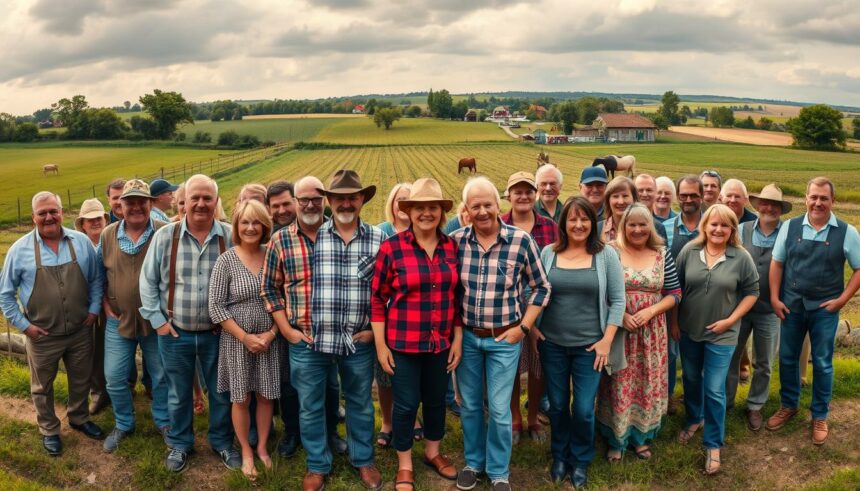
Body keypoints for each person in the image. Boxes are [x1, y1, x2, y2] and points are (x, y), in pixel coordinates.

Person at [281, 170, 385, 491]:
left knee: (360, 403)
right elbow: (275, 286)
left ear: (362, 200)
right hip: (311, 341)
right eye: (339, 197)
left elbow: (387, 292)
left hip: (358, 340)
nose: (346, 203)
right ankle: (317, 464)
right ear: (330, 201)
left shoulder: (379, 240)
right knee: (310, 404)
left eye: (352, 197)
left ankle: (363, 460)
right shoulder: (314, 237)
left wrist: (372, 332)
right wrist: (288, 330)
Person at [450, 176, 550, 491]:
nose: (482, 211)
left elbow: (541, 287)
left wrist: (523, 327)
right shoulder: (454, 242)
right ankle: (473, 462)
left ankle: (498, 471)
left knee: (499, 406)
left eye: (488, 204)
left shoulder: (520, 241)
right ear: (465, 209)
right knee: (469, 405)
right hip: (467, 337)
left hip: (504, 338)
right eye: (475, 205)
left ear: (498, 205)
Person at [139, 174, 240, 472]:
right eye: (195, 197)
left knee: (221, 391)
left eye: (207, 198)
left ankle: (221, 442)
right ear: (183, 202)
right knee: (178, 392)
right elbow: (147, 283)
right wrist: (158, 322)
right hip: (174, 332)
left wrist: (232, 323)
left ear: (216, 202)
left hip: (218, 333)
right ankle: (181, 444)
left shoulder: (230, 236)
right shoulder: (164, 237)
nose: (200, 203)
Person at [371, 178, 462, 491]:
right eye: (419, 208)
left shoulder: (452, 246)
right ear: (407, 212)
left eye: (432, 208)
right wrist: (381, 345)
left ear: (440, 211)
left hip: (440, 343)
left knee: (436, 401)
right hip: (403, 343)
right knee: (407, 405)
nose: (426, 213)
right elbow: (378, 299)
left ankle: (433, 453)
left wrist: (458, 340)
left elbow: (458, 297)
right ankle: (405, 463)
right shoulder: (392, 248)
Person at [0, 192, 104, 456]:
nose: (49, 217)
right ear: (33, 216)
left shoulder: (80, 243)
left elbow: (96, 280)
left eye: (53, 211)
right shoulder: (19, 250)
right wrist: (25, 326)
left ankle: (79, 418)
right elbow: (5, 294)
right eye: (42, 212)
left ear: (61, 212)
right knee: (41, 386)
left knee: (81, 379)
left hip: (81, 330)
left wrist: (93, 310)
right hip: (42, 335)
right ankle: (49, 429)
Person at [261, 176, 348, 468]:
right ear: (298, 202)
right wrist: (286, 329)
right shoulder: (281, 239)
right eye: (304, 200)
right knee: (301, 392)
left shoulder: (339, 232)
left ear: (325, 199)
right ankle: (311, 452)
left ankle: (331, 433)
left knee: (332, 388)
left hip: (339, 333)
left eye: (316, 199)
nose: (310, 205)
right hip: (303, 333)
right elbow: (270, 288)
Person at [537, 197, 624, 488]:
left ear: (592, 222)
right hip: (552, 344)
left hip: (590, 347)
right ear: (563, 224)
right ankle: (560, 455)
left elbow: (618, 300)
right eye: (572, 219)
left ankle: (581, 459)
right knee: (558, 405)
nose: (578, 224)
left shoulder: (606, 255)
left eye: (584, 219)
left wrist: (606, 340)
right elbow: (534, 292)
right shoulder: (548, 253)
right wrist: (534, 331)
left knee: (585, 408)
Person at [766, 177, 860, 445]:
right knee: (786, 358)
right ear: (806, 198)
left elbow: (859, 269)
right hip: (792, 305)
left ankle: (819, 414)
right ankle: (789, 405)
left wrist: (841, 301)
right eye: (814, 197)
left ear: (833, 201)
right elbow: (777, 263)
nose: (818, 202)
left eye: (824, 198)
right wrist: (774, 298)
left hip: (825, 309)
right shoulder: (791, 227)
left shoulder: (846, 231)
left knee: (822, 362)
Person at [674, 204, 759, 475]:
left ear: (732, 229)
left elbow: (752, 292)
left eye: (725, 225)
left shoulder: (741, 257)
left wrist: (730, 321)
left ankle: (713, 444)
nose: (718, 229)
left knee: (714, 388)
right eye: (714, 224)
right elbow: (676, 289)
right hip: (689, 330)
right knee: (690, 378)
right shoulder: (690, 251)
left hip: (723, 335)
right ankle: (694, 418)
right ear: (705, 226)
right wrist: (674, 322)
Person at [596, 204, 681, 461]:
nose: (637, 229)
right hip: (619, 330)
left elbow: (675, 294)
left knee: (646, 382)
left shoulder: (661, 253)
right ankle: (616, 438)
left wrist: (651, 311)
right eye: (631, 224)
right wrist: (621, 315)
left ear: (651, 227)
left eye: (642, 224)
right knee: (618, 382)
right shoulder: (610, 251)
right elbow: (600, 292)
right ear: (623, 227)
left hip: (651, 333)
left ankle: (641, 437)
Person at [209, 200, 281, 481]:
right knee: (241, 397)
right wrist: (244, 337)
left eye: (257, 222)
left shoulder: (273, 254)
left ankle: (262, 447)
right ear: (237, 226)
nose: (251, 227)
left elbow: (285, 297)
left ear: (265, 226)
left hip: (270, 339)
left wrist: (272, 334)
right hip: (237, 340)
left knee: (265, 395)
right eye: (245, 222)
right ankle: (246, 451)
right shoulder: (226, 259)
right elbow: (216, 307)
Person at [99, 179, 170, 452]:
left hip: (155, 322)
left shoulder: (164, 232)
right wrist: (105, 305)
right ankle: (124, 424)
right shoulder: (108, 234)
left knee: (161, 376)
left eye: (142, 201)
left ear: (150, 204)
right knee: (115, 378)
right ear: (121, 205)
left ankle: (164, 422)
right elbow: (98, 275)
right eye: (130, 202)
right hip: (118, 320)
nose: (136, 207)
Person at [724, 184, 791, 431]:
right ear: (757, 205)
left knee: (764, 362)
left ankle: (755, 405)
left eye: (775, 204)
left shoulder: (787, 232)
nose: (769, 208)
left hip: (770, 310)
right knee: (731, 356)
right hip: (740, 307)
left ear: (781, 209)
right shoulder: (742, 230)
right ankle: (726, 401)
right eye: (765, 203)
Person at [500, 171, 557, 444]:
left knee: (538, 365)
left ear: (534, 195)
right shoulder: (498, 224)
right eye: (517, 191)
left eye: (527, 191)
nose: (523, 196)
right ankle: (514, 417)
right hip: (507, 306)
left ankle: (533, 416)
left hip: (542, 305)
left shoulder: (549, 226)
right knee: (510, 364)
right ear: (508, 195)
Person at [663, 175, 704, 413]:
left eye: (693, 195)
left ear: (701, 197)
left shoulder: (710, 226)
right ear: (678, 197)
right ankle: (666, 398)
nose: (688, 199)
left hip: (702, 303)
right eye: (684, 195)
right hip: (670, 303)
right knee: (669, 355)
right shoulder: (665, 228)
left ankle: (696, 404)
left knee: (697, 361)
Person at [75, 198, 111, 414]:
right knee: (93, 351)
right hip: (87, 307)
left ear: (104, 220)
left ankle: (125, 388)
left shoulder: (113, 239)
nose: (95, 222)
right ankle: (98, 393)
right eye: (90, 220)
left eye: (98, 218)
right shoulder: (77, 245)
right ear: (83, 225)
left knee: (116, 349)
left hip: (114, 304)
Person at [598, 177, 638, 242]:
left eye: (625, 196)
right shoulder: (597, 229)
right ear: (608, 201)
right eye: (615, 196)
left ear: (634, 198)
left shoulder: (648, 227)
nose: (621, 202)